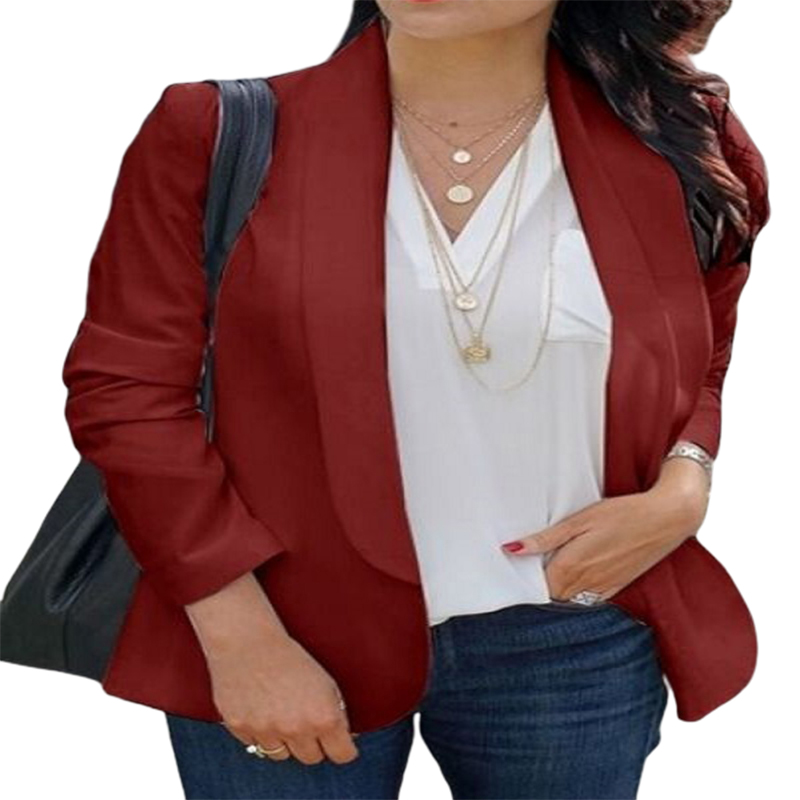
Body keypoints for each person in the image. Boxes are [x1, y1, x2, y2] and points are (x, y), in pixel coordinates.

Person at [61, 1, 770, 798]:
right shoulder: (216, 130)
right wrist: (239, 638)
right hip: (282, 626)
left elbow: (705, 342)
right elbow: (128, 392)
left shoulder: (679, 139)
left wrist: (684, 483)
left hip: (574, 634)